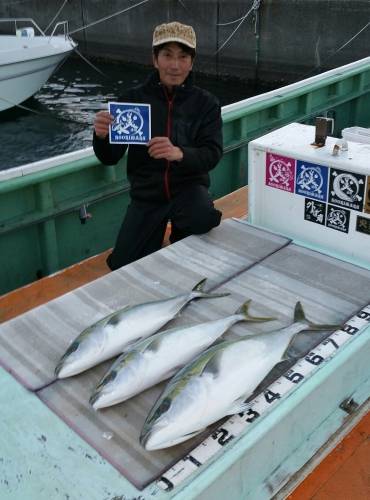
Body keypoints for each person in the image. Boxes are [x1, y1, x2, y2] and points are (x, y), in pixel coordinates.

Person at [93, 21, 223, 271]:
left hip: (188, 187)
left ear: (191, 62)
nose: (175, 65)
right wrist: (101, 136)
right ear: (155, 59)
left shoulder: (206, 103)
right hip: (147, 194)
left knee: (202, 218)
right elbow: (110, 158)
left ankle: (180, 234)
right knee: (123, 266)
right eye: (167, 55)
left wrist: (179, 153)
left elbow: (212, 153)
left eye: (183, 56)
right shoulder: (131, 101)